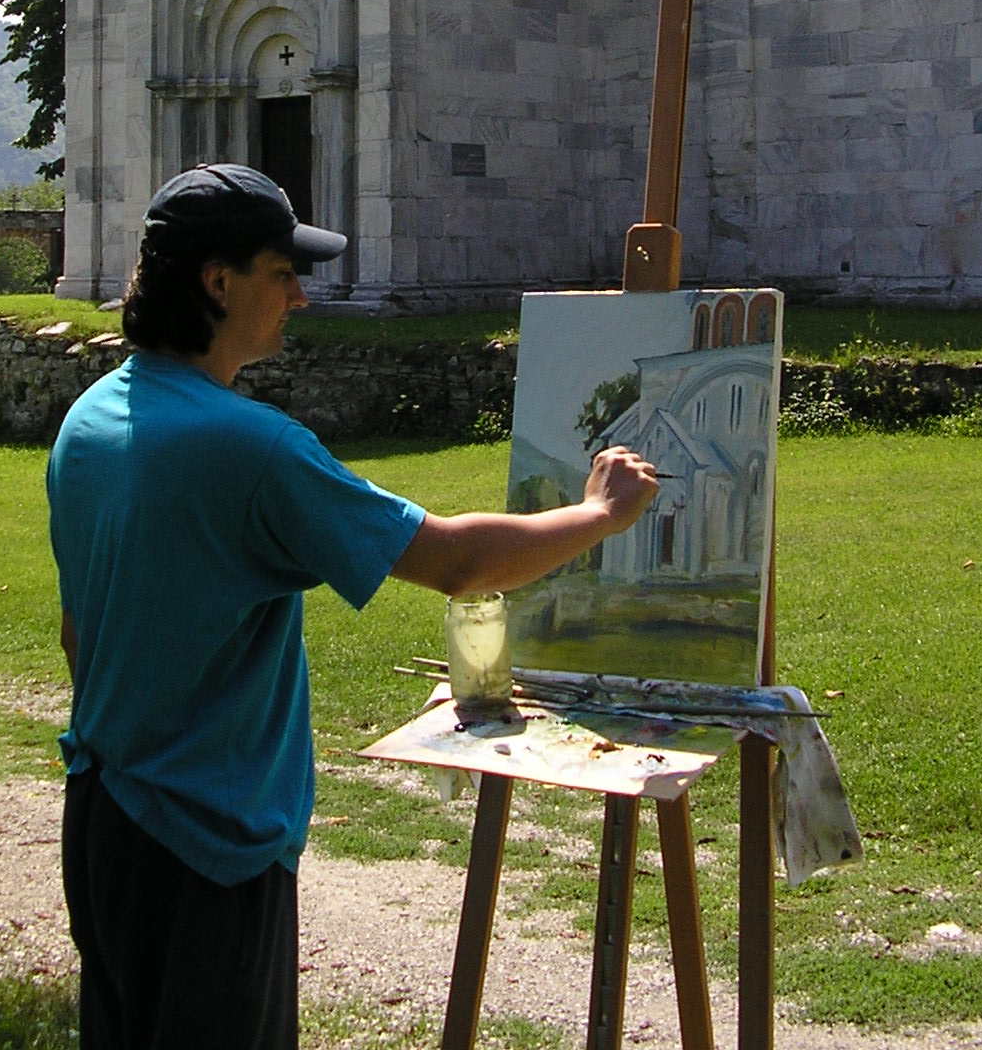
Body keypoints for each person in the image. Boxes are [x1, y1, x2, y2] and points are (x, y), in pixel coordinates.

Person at [47, 162, 657, 1050]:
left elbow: (78, 633)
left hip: (106, 815)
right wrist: (600, 512)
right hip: (206, 843)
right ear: (218, 282)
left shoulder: (94, 418)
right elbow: (455, 561)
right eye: (281, 273)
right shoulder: (248, 448)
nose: (299, 295)